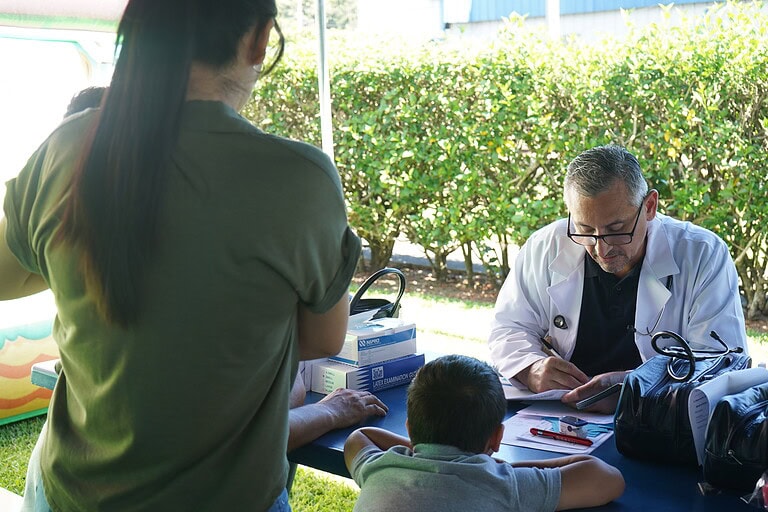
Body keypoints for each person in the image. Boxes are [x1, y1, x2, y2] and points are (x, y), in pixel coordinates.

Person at [1, 1, 361, 510]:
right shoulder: (301, 179)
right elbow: (323, 337)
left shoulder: (65, 150)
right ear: (259, 40)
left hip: (72, 495)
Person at [488, 144, 748, 412]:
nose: (602, 249)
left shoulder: (702, 254)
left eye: (616, 229)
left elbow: (724, 361)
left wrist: (638, 387)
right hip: (558, 414)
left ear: (649, 207)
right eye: (585, 229)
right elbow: (509, 328)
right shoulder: (546, 245)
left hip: (661, 420)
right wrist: (531, 368)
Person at [344, 354, 625, 511]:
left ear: (409, 427)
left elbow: (360, 438)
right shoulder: (505, 485)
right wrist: (501, 467)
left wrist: (422, 453)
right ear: (497, 437)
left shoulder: (379, 466)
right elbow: (608, 479)